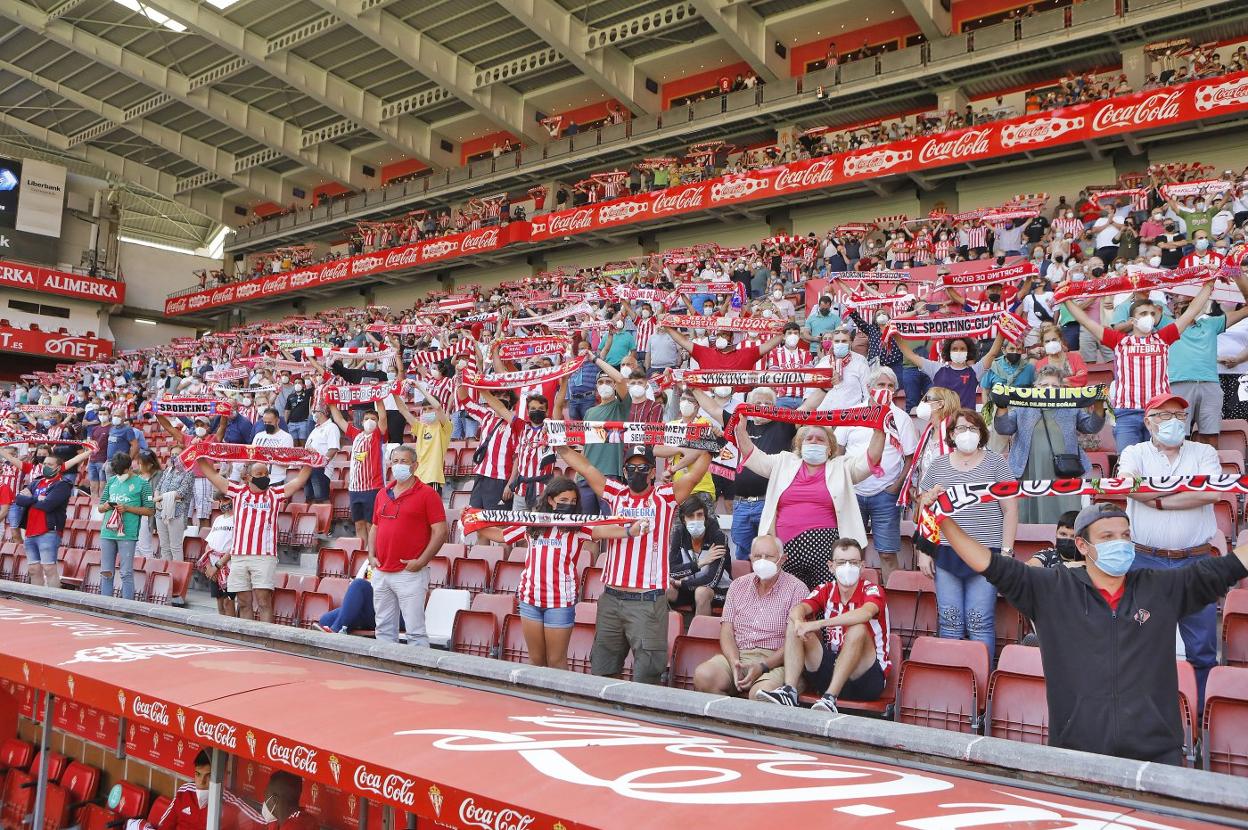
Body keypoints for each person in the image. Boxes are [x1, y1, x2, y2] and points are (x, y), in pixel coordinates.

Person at [928, 501, 1248, 763]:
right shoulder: (1051, 589)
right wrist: (942, 520)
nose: (1119, 543)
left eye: (1125, 536)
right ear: (1082, 545)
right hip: (1075, 754)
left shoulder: (1161, 588)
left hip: (1157, 755)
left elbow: (1230, 566)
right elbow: (990, 564)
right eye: (1107, 537)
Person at [554, 442, 710, 684]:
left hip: (647, 601)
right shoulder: (615, 492)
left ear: (652, 472)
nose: (636, 472)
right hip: (612, 599)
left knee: (647, 674)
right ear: (624, 471)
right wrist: (560, 445)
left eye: (643, 467)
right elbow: (585, 467)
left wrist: (709, 447)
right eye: (631, 468)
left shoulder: (665, 496)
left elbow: (695, 475)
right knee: (603, 669)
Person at [1116, 392, 1222, 705]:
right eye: (1165, 415)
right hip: (1146, 562)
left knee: (1202, 647)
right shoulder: (1135, 451)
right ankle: (1141, 711)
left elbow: (1212, 494)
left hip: (1196, 562)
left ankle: (1201, 717)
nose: (1174, 421)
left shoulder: (1203, 451)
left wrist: (1159, 500)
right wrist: (1183, 493)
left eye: (1179, 415)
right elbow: (1128, 485)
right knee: (1139, 641)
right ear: (1148, 421)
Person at [475, 477, 641, 669]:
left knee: (556, 661)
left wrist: (630, 531)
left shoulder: (578, 528)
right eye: (563, 501)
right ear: (551, 500)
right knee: (536, 660)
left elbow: (606, 530)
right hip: (530, 599)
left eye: (572, 502)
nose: (569, 505)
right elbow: (501, 535)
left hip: (560, 602)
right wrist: (473, 522)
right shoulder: (532, 523)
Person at [734, 416, 884, 589]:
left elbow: (871, 458)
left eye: (820, 439)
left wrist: (879, 429)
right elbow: (753, 455)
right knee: (788, 601)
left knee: (822, 600)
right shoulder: (783, 462)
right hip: (785, 549)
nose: (814, 442)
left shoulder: (841, 467)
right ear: (800, 445)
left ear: (829, 449)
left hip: (825, 548)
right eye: (809, 438)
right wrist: (741, 431)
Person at [1064, 281, 1213, 449]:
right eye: (1143, 313)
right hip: (1127, 412)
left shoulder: (1164, 337)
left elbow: (1191, 311)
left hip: (1159, 412)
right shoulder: (1119, 341)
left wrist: (1209, 284)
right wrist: (1065, 298)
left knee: (1160, 463)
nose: (1148, 317)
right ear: (1132, 320)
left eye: (1151, 313)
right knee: (1128, 465)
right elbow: (1086, 322)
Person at [917, 409, 1016, 652]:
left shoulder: (996, 463)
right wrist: (924, 551)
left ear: (982, 433)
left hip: (986, 553)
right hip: (946, 553)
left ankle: (981, 684)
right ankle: (953, 682)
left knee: (979, 622)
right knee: (949, 622)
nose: (967, 433)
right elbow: (925, 507)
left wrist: (1006, 552)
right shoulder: (938, 464)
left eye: (972, 428)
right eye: (961, 428)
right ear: (951, 433)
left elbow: (1010, 510)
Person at [755, 538, 891, 713]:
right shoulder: (825, 589)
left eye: (853, 562)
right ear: (831, 566)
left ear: (862, 566)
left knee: (858, 628)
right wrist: (798, 622)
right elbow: (799, 609)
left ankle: (829, 699)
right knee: (796, 624)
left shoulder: (872, 590)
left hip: (866, 678)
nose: (847, 567)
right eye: (841, 562)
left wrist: (819, 624)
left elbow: (865, 614)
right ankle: (789, 691)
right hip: (832, 669)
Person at [196, 456, 314, 623]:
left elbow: (299, 480)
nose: (264, 476)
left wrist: (309, 461)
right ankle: (247, 637)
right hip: (239, 556)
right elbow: (213, 476)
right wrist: (200, 456)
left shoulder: (275, 494)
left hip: (264, 556)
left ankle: (265, 638)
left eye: (267, 473)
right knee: (244, 602)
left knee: (264, 601)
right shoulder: (238, 492)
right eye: (259, 473)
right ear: (249, 477)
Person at [692, 535, 809, 699]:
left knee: (760, 694)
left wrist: (763, 666)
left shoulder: (797, 589)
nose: (762, 561)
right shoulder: (737, 585)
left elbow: (796, 642)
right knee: (704, 675)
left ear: (782, 559)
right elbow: (727, 631)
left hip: (777, 661)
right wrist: (734, 662)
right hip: (740, 655)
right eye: (757, 556)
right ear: (750, 558)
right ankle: (727, 721)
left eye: (768, 557)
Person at [835, 367, 917, 585]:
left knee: (888, 553)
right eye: (881, 385)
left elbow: (910, 458)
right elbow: (837, 451)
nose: (886, 389)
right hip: (852, 493)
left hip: (886, 495)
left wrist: (896, 487)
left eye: (890, 386)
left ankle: (891, 605)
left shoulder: (901, 419)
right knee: (852, 552)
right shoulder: (852, 412)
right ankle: (854, 596)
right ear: (869, 388)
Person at [993, 367, 1105, 523]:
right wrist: (1002, 407)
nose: (1049, 390)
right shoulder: (1022, 407)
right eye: (1045, 385)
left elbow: (1091, 427)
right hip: (1028, 472)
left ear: (1062, 390)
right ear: (1035, 388)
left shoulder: (1070, 407)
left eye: (1055, 386)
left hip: (1064, 473)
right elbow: (1004, 428)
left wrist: (1099, 405)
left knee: (1067, 519)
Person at [367, 444, 447, 646]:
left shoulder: (428, 494)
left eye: (404, 461)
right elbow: (374, 527)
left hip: (409, 573)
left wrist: (421, 562)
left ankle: (418, 675)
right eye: (395, 461)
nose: (398, 466)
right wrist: (371, 556)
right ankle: (386, 671)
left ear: (415, 465)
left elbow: (441, 531)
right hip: (382, 571)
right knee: (383, 628)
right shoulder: (382, 494)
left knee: (415, 632)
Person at [12, 447, 88, 589]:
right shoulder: (36, 482)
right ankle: (36, 598)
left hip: (48, 531)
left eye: (49, 464)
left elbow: (48, 505)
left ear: (59, 467)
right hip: (30, 530)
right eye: (45, 464)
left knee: (49, 568)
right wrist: (37, 499)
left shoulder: (63, 484)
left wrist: (32, 498)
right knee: (33, 569)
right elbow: (19, 499)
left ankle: (53, 597)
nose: (45, 466)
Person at [140, 750, 264, 830]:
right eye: (198, 774)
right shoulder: (185, 792)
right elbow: (165, 825)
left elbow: (265, 825)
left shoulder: (232, 803)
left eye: (208, 776)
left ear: (222, 776)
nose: (201, 782)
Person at [97, 452, 155, 600]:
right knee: (106, 571)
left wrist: (128, 508)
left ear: (129, 468)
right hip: (108, 531)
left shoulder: (143, 484)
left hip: (127, 533)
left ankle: (128, 606)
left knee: (126, 572)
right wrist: (107, 506)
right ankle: (104, 604)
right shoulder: (111, 482)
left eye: (121, 472)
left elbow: (150, 510)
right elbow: (100, 507)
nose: (119, 475)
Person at [894, 334, 1003, 409]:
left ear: (968, 351)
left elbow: (992, 353)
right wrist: (895, 335)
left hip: (967, 424)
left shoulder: (975, 371)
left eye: (962, 349)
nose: (958, 351)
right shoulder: (936, 369)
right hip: (943, 423)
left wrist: (1002, 331)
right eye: (955, 349)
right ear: (948, 351)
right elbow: (911, 356)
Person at [329, 401, 386, 541]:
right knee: (359, 524)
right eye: (367, 419)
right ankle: (362, 553)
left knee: (370, 524)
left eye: (373, 419)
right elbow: (338, 419)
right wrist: (330, 402)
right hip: (355, 488)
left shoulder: (377, 435)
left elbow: (383, 417)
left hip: (373, 488)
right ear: (362, 421)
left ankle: (372, 554)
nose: (369, 421)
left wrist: (378, 398)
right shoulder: (356, 434)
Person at [666, 496, 731, 616]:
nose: (695, 520)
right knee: (663, 589)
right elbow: (671, 571)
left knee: (701, 592)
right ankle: (664, 631)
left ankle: (700, 634)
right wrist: (700, 563)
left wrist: (682, 583)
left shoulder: (718, 537)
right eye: (690, 516)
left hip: (718, 590)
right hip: (689, 587)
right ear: (683, 519)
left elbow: (712, 581)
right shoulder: (679, 534)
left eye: (699, 515)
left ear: (705, 517)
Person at [150, 447, 194, 561]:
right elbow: (158, 487)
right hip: (161, 512)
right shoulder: (167, 470)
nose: (174, 456)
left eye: (177, 454)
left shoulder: (188, 472)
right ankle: (166, 573)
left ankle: (178, 577)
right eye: (172, 454)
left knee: (175, 547)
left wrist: (159, 498)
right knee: (164, 547)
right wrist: (157, 498)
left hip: (176, 512)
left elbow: (180, 493)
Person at [199, 494, 236, 617]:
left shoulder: (238, 519)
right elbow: (208, 545)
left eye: (225, 500)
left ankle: (231, 631)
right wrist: (209, 567)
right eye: (220, 501)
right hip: (214, 566)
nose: (222, 503)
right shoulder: (218, 519)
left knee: (228, 602)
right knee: (220, 602)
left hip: (228, 566)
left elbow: (234, 546)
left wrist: (218, 566)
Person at [303, 408, 341, 504]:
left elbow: (333, 449)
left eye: (315, 411)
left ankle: (325, 518)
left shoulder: (331, 427)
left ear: (322, 412)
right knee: (309, 498)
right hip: (309, 466)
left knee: (321, 498)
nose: (313, 414)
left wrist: (321, 463)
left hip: (321, 468)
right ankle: (312, 518)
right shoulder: (315, 429)